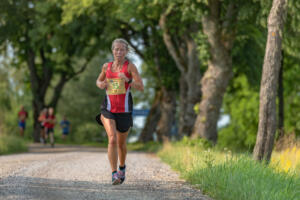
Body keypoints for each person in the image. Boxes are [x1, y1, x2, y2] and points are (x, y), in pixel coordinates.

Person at [96, 38, 144, 185]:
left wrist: (128, 80)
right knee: (112, 139)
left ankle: (122, 167)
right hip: (108, 108)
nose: (119, 52)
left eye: (122, 49)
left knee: (121, 144)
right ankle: (114, 173)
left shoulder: (130, 67)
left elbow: (141, 86)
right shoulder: (106, 67)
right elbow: (98, 81)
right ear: (112, 51)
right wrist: (101, 84)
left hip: (124, 110)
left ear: (126, 51)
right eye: (116, 49)